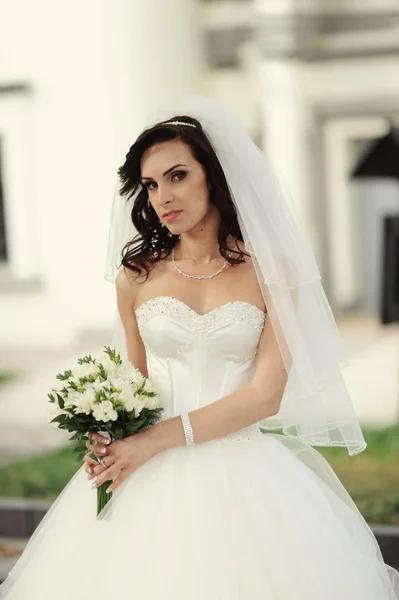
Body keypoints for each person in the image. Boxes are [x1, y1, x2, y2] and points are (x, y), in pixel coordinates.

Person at [1, 95, 398, 599]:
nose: (161, 196)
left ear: (214, 175)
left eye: (177, 175)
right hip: (144, 475)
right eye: (150, 185)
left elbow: (264, 397)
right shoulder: (136, 277)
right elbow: (135, 383)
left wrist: (155, 438)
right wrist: (108, 432)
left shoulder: (274, 274)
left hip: (243, 471)